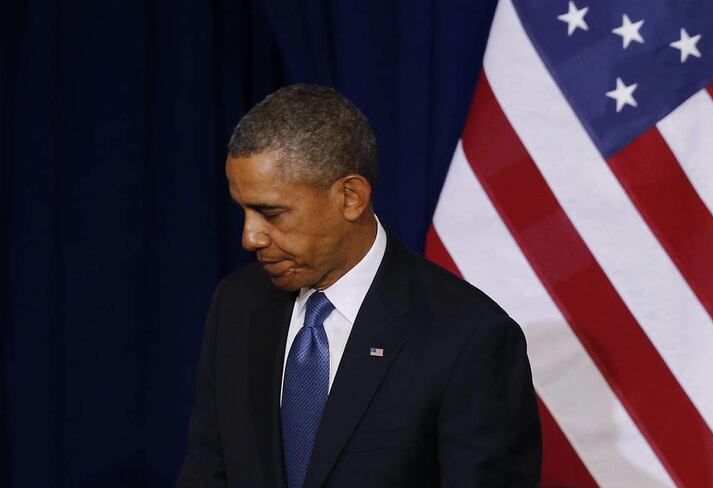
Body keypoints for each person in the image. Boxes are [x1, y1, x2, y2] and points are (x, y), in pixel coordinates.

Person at [177, 84, 542, 488]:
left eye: (271, 213)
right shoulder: (238, 303)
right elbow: (208, 470)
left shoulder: (468, 336)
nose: (250, 237)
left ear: (350, 197)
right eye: (244, 211)